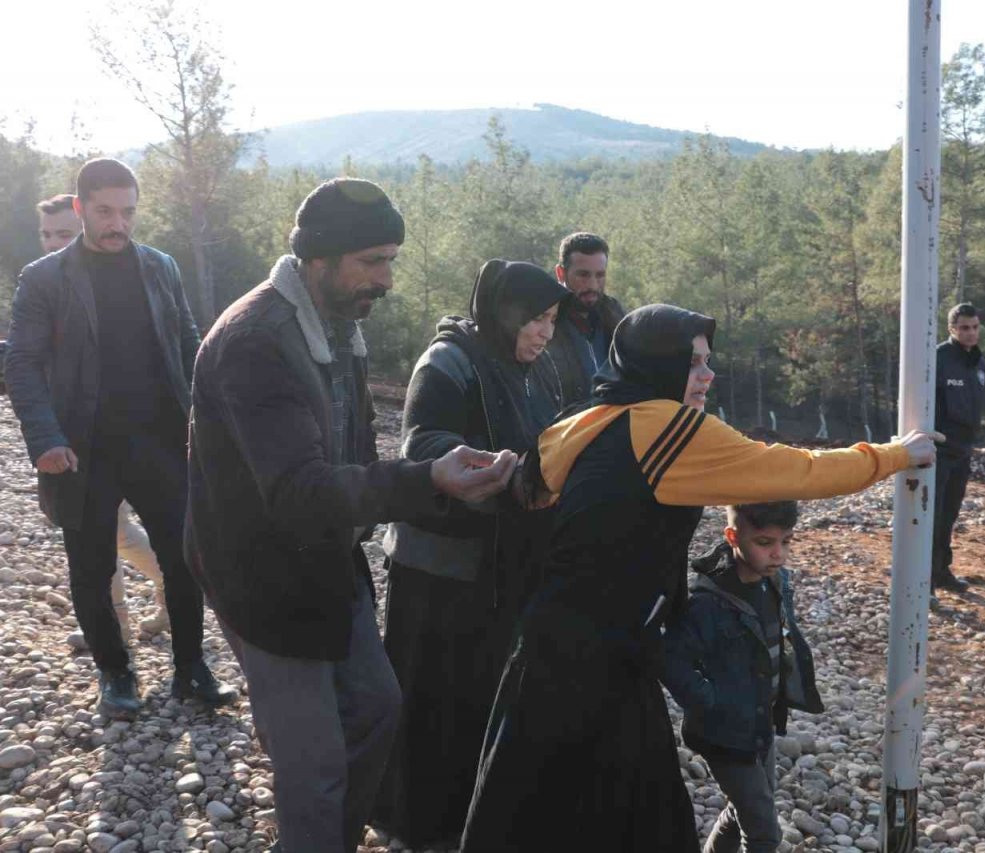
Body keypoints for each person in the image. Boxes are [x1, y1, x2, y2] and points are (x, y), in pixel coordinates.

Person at [460, 303, 938, 853]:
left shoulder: (586, 419)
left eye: (707, 361)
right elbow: (797, 470)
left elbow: (533, 486)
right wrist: (894, 455)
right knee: (630, 817)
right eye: (693, 363)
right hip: (600, 661)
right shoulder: (671, 429)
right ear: (657, 365)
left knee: (529, 807)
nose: (708, 374)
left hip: (545, 644)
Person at [185, 177, 518, 853]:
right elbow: (298, 492)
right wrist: (429, 478)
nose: (386, 279)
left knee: (376, 711)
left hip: (327, 558)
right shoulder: (256, 342)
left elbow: (355, 448)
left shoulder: (340, 325)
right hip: (259, 574)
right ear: (318, 257)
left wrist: (421, 483)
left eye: (390, 260)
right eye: (373, 261)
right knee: (314, 764)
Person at [5, 159, 232, 719]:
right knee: (91, 569)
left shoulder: (160, 266)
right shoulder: (44, 278)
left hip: (162, 443)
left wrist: (208, 420)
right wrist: (45, 439)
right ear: (79, 207)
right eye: (105, 211)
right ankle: (115, 673)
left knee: (185, 560)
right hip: (81, 451)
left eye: (127, 212)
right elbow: (23, 364)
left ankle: (191, 668)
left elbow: (187, 342)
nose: (118, 224)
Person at [372, 259, 569, 846]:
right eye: (536, 318)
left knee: (480, 696)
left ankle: (470, 819)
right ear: (505, 313)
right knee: (431, 698)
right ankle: (412, 823)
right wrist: (502, 471)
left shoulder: (537, 367)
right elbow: (424, 446)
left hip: (501, 564)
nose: (546, 332)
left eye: (552, 320)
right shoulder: (448, 362)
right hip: (437, 567)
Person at [33, 193, 170, 645]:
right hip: (68, 433)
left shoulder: (114, 280)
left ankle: (120, 625)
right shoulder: (46, 282)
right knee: (115, 532)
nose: (54, 243)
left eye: (63, 234)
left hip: (112, 436)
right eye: (46, 234)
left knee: (106, 530)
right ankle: (167, 590)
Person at [664, 500, 821, 853]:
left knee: (743, 811)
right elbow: (669, 658)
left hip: (759, 725)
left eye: (786, 541)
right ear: (733, 537)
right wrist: (710, 701)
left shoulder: (774, 583)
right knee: (764, 833)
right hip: (724, 735)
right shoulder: (707, 604)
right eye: (765, 543)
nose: (778, 554)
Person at [932, 302, 985, 592]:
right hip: (939, 451)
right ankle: (925, 580)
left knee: (949, 515)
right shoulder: (938, 358)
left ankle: (942, 571)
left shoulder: (977, 361)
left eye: (975, 327)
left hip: (963, 451)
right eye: (964, 328)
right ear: (952, 329)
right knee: (932, 516)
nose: (971, 333)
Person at [548, 231, 626, 403]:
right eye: (583, 275)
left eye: (600, 275)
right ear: (561, 273)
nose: (592, 285)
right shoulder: (544, 323)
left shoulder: (615, 317)